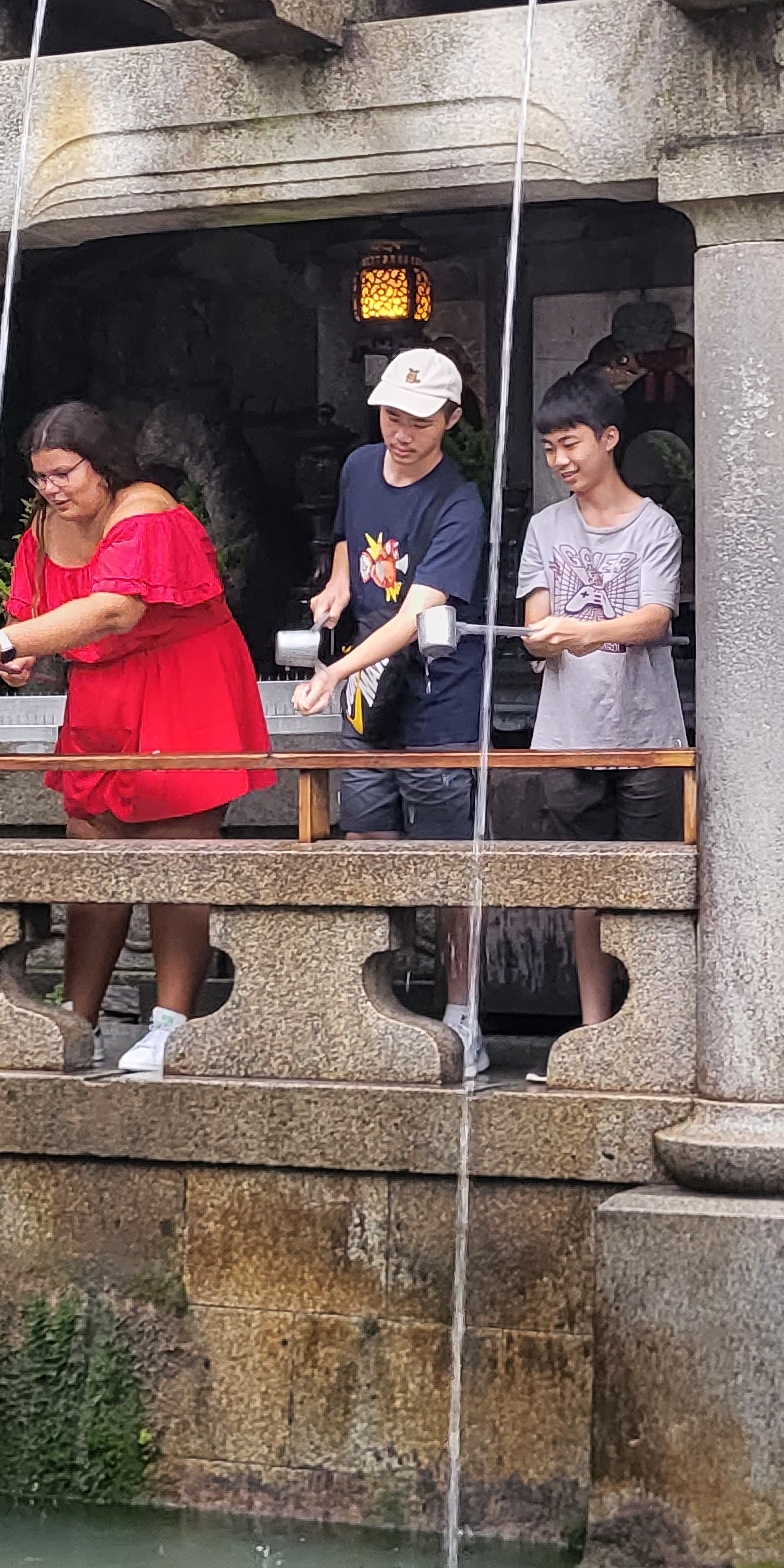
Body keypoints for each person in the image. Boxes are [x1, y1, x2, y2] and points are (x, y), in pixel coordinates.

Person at [0, 402, 267, 1080]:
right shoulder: (44, 526)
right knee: (92, 853)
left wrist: (8, 640)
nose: (52, 489)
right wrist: (20, 654)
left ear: (102, 465)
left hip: (182, 684)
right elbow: (35, 616)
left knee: (175, 856)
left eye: (64, 473)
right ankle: (78, 1020)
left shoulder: (146, 510)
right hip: (102, 694)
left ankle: (171, 1023)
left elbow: (115, 609)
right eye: (40, 478)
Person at [294, 346, 494, 1077]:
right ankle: (374, 1004)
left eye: (418, 421)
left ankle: (464, 1012)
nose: (401, 434)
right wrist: (338, 588)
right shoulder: (357, 466)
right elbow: (349, 541)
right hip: (366, 697)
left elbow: (415, 615)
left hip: (437, 695)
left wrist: (337, 667)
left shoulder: (459, 502)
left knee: (447, 859)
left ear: (450, 419)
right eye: (390, 417)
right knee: (367, 837)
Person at [520, 367, 685, 1053]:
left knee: (647, 883)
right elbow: (534, 624)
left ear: (608, 438)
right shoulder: (544, 527)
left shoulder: (656, 526)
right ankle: (592, 1031)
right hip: (567, 734)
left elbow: (654, 617)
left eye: (571, 444)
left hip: (646, 733)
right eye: (549, 449)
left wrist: (583, 632)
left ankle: (647, 1031)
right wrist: (541, 637)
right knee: (584, 885)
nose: (560, 461)